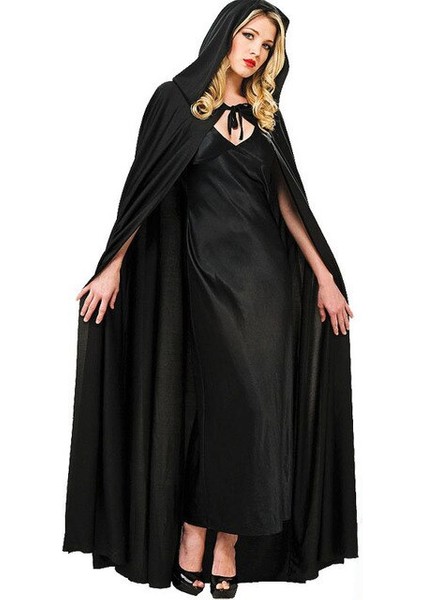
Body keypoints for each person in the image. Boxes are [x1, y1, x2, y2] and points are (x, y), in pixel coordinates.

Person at [62, 1, 358, 595]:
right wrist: (113, 265)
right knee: (214, 408)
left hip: (266, 285)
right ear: (226, 33)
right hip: (202, 277)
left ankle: (226, 541)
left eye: (267, 45)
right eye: (249, 35)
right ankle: (193, 527)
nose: (255, 51)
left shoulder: (267, 114)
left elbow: (287, 201)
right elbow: (143, 189)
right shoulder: (175, 101)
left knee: (257, 413)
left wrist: (324, 275)